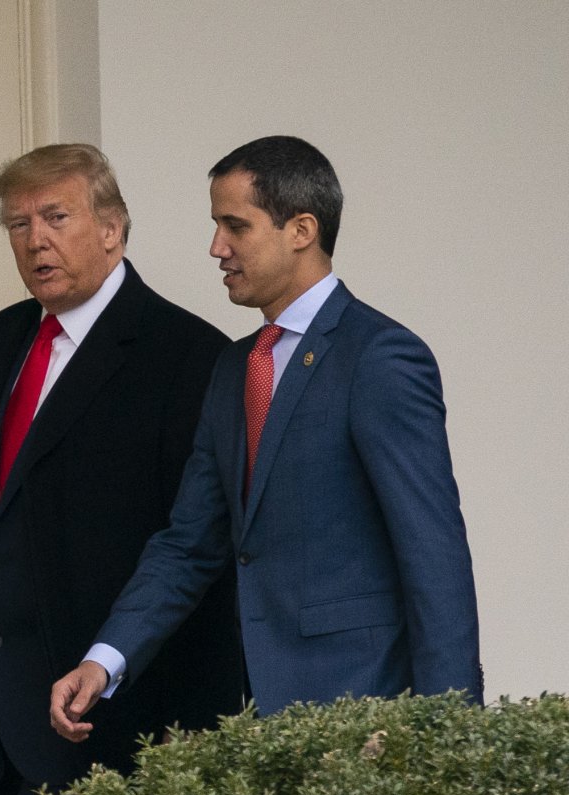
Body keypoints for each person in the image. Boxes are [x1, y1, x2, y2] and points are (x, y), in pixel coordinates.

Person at [50, 135, 482, 748]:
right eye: (215, 226)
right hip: (254, 717)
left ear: (301, 229)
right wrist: (104, 659)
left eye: (235, 227)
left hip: (366, 717)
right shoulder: (234, 368)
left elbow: (433, 552)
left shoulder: (380, 357)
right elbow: (189, 542)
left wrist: (451, 732)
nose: (216, 248)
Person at [0, 143, 243, 795]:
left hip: (102, 724)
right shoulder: (0, 341)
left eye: (56, 217)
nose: (35, 241)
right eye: (18, 224)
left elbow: (196, 553)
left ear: (114, 228)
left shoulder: (187, 357)